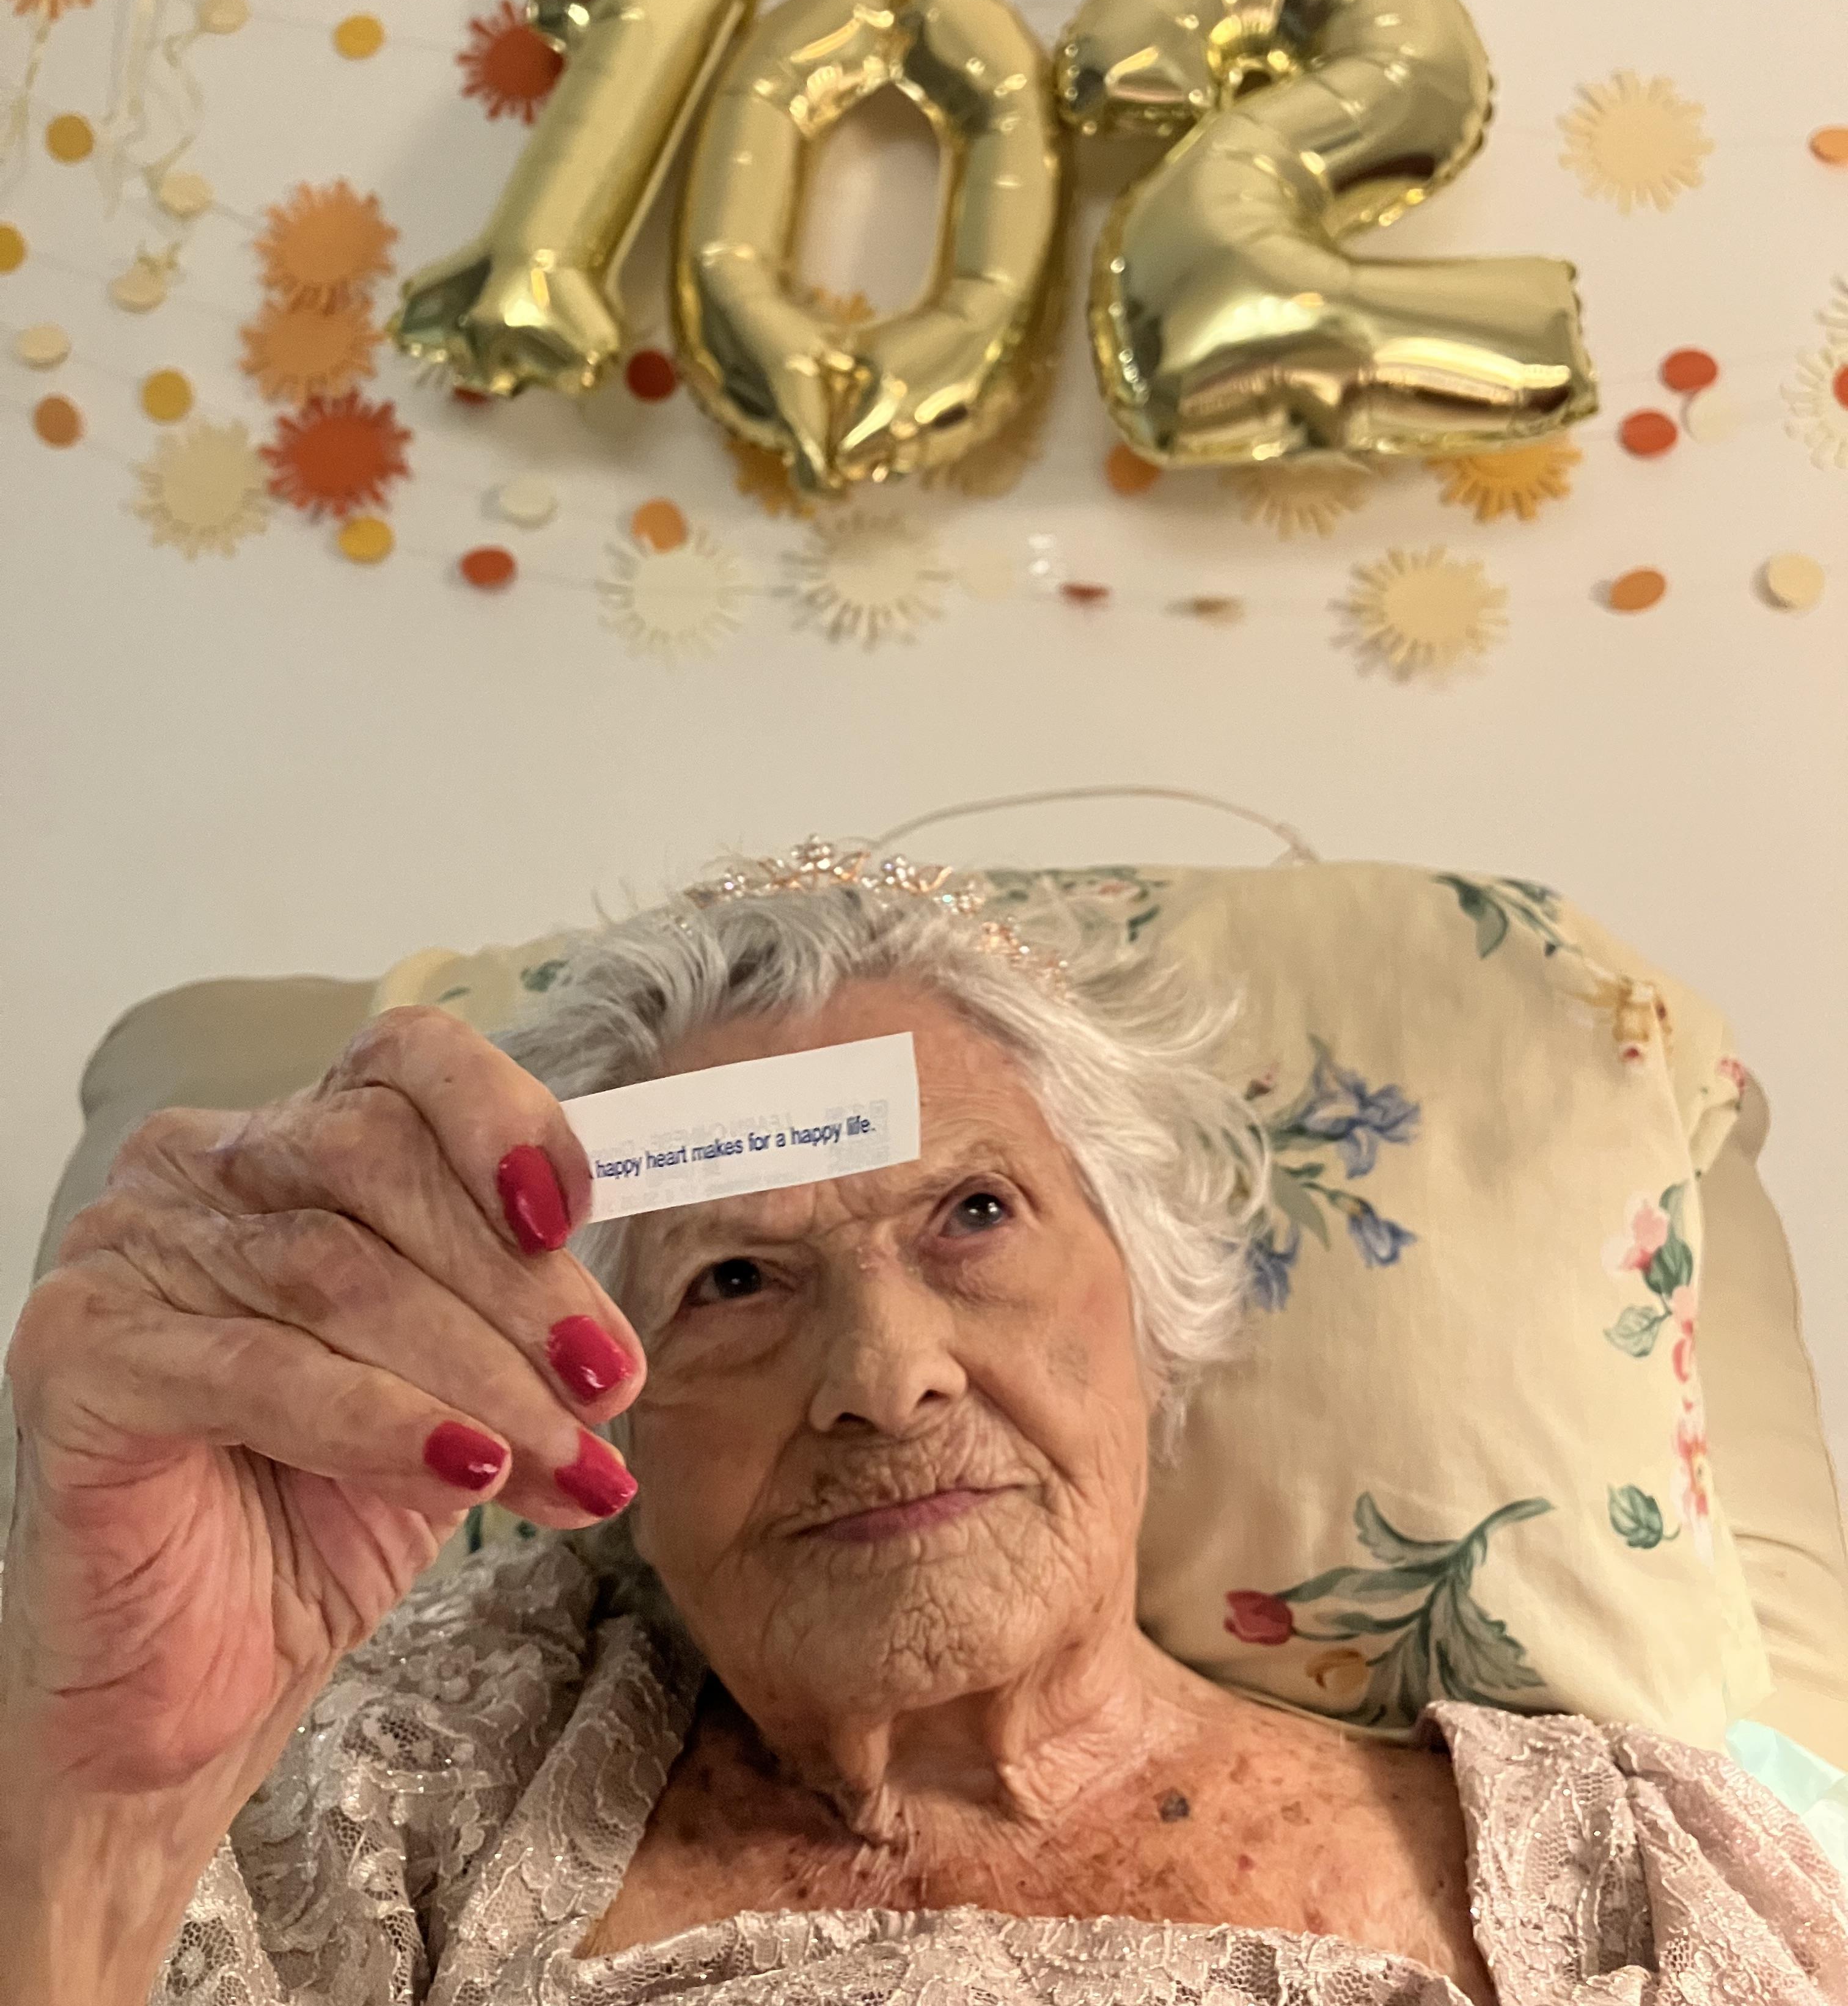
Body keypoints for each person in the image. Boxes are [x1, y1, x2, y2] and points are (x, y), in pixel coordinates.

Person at [2, 849, 1842, 2005]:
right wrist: (98, 1812)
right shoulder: (390, 1806)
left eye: (972, 1215)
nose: (884, 1377)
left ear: (1151, 1295)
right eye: (732, 1279)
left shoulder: (1620, 1868)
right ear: (602, 1422)